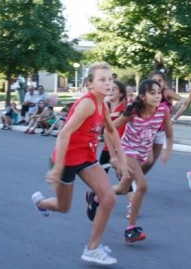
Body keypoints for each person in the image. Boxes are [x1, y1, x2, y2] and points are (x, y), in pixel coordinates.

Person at [31, 62, 129, 265]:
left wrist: (119, 158)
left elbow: (111, 130)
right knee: (63, 206)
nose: (108, 83)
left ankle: (92, 248)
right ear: (90, 84)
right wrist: (57, 167)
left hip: (86, 158)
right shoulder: (88, 103)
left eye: (110, 79)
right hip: (66, 160)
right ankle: (40, 203)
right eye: (102, 79)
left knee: (108, 198)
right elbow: (65, 132)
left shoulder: (103, 104)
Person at [89, 79, 173, 243]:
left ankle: (96, 197)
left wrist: (167, 152)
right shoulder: (134, 111)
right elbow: (108, 130)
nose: (157, 97)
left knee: (121, 189)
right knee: (142, 185)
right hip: (127, 151)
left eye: (158, 93)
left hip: (141, 153)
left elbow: (169, 135)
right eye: (152, 93)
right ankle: (131, 229)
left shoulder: (163, 110)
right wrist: (114, 156)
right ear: (142, 96)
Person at [98, 80, 132, 218]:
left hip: (120, 148)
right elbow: (101, 128)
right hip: (107, 147)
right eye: (109, 89)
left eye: (114, 89)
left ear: (121, 93)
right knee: (99, 175)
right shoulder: (104, 107)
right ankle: (99, 199)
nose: (111, 91)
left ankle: (132, 205)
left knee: (123, 178)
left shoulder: (125, 108)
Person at [142, 70, 185, 174]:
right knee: (147, 159)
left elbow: (184, 100)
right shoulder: (147, 94)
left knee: (151, 163)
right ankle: (133, 179)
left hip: (161, 131)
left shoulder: (167, 92)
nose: (157, 82)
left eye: (159, 80)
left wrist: (179, 103)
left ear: (164, 82)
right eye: (154, 80)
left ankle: (137, 180)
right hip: (149, 130)